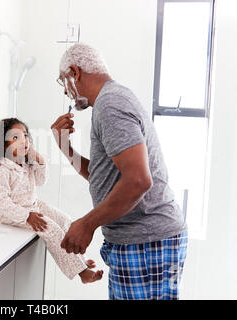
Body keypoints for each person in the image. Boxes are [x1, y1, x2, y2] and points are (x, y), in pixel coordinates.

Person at [52, 43, 188, 299]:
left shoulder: (109, 104)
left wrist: (87, 224)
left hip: (146, 243)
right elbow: (105, 177)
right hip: (145, 242)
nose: (67, 93)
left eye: (64, 81)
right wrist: (65, 147)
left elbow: (138, 181)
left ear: (74, 73)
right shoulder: (111, 100)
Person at [0, 118, 103, 283]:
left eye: (24, 135)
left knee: (64, 219)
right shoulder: (1, 170)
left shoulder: (25, 163)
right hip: (16, 213)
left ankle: (80, 260)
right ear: (3, 144)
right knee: (51, 229)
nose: (23, 140)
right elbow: (1, 205)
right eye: (15, 138)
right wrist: (27, 216)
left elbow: (40, 181)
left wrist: (39, 161)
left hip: (34, 205)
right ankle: (81, 273)